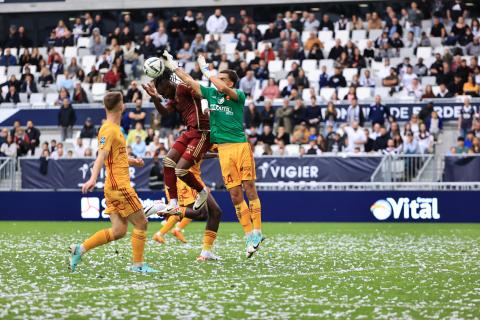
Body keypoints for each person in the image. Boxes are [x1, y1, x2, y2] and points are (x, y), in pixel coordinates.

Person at [163, 51, 264, 257]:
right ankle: (248, 237)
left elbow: (223, 87)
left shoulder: (238, 96)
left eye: (224, 78)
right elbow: (188, 80)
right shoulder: (210, 94)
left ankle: (258, 231)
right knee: (235, 195)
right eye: (219, 77)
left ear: (232, 83)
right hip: (224, 151)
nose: (220, 80)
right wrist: (173, 66)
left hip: (240, 147)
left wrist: (207, 72)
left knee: (249, 188)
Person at [70, 91, 158, 273]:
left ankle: (80, 249)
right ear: (121, 106)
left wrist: (131, 160)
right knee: (141, 223)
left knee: (119, 231)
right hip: (119, 185)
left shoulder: (112, 129)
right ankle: (138, 266)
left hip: (112, 186)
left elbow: (113, 155)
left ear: (105, 107)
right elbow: (101, 155)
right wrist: (93, 178)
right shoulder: (109, 130)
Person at [141, 67, 211, 215]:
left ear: (168, 83)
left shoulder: (182, 88)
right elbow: (165, 113)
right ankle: (173, 203)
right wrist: (155, 98)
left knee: (180, 169)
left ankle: (202, 192)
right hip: (190, 132)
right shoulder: (174, 98)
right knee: (168, 161)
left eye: (164, 92)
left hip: (202, 132)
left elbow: (202, 93)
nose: (164, 96)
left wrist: (206, 108)